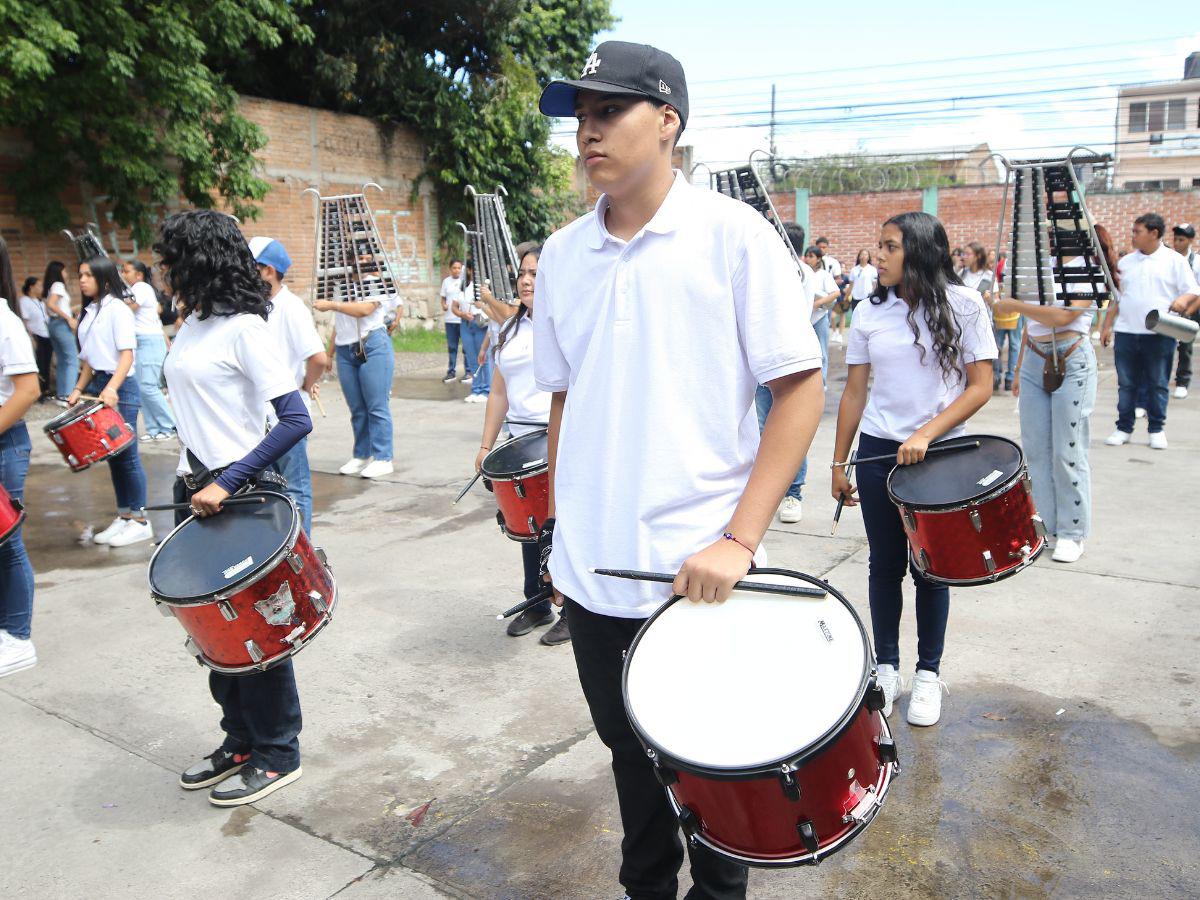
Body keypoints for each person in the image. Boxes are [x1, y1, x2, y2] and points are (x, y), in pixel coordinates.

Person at [536, 41, 824, 899]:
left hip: (699, 576)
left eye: (607, 112)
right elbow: (563, 400)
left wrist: (740, 539)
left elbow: (800, 390)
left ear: (667, 121)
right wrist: (559, 530)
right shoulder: (562, 255)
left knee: (714, 779)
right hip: (595, 576)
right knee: (631, 766)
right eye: (579, 117)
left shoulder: (733, 238)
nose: (587, 133)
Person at [156, 209, 313, 806]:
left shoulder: (247, 328)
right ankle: (240, 740)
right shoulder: (194, 322)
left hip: (237, 493)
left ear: (199, 260)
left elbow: (294, 420)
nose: (164, 269)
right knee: (208, 627)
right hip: (192, 487)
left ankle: (279, 751)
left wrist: (229, 481)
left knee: (251, 630)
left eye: (172, 258)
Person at [831, 211, 997, 726]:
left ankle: (928, 674)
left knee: (932, 568)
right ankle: (887, 668)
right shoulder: (867, 311)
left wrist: (926, 433)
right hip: (881, 451)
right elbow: (855, 390)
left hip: (940, 455)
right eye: (878, 245)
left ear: (919, 253)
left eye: (888, 246)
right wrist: (840, 461)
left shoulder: (964, 305)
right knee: (885, 564)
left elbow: (981, 385)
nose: (877, 255)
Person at [998, 225, 1118, 564]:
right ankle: (1047, 527)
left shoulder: (1087, 269)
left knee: (1068, 451)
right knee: (1036, 450)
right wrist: (1021, 367)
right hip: (1036, 357)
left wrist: (1016, 305)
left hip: (1072, 357)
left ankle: (1072, 531)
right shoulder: (1041, 269)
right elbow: (1032, 327)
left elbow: (1064, 316)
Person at [474, 247, 569, 645]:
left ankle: (575, 609)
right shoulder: (509, 327)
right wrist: (486, 445)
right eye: (522, 273)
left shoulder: (564, 321)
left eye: (535, 273)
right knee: (529, 525)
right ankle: (537, 600)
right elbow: (499, 390)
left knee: (563, 525)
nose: (526, 280)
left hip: (559, 436)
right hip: (520, 439)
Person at [65, 256, 153, 547]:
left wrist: (113, 388)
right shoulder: (90, 311)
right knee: (113, 457)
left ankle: (140, 521)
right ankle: (124, 516)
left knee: (127, 456)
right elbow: (89, 359)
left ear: (103, 278)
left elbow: (126, 354)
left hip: (121, 387)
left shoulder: (118, 310)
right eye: (80, 275)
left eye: (88, 275)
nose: (82, 280)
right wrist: (78, 388)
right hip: (101, 384)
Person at [1101, 213, 1199, 450]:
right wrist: (1106, 326)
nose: (1133, 236)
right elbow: (1117, 298)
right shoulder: (1125, 263)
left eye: (1137, 231)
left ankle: (1156, 428)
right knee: (1126, 384)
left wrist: (1181, 302)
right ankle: (1123, 427)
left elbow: (1192, 290)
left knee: (1157, 383)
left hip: (1159, 334)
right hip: (1126, 332)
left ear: (1154, 234)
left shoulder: (1174, 261)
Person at [250, 236, 328, 534]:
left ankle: (301, 556)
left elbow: (318, 358)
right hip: (259, 415)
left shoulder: (290, 307)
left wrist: (306, 384)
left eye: (251, 266)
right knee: (271, 491)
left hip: (285, 415)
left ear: (268, 270)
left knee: (294, 488)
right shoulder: (255, 308)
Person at [756, 223, 816, 525]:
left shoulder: (800, 273)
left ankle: (794, 493)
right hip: (759, 366)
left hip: (786, 364)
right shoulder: (767, 267)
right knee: (759, 431)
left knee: (789, 430)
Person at [0, 237, 41, 677]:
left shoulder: (3, 319)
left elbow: (28, 390)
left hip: (5, 444)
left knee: (6, 542)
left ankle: (18, 637)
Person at [314, 271, 395, 479]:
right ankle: (361, 454)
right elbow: (340, 324)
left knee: (376, 405)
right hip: (344, 348)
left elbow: (365, 309)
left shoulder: (374, 281)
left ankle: (383, 458)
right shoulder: (341, 285)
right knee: (357, 408)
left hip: (373, 344)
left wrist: (332, 304)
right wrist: (329, 353)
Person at [121, 259, 176, 441]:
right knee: (141, 388)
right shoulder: (131, 290)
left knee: (149, 386)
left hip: (149, 341)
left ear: (138, 274)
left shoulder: (141, 288)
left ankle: (170, 424)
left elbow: (131, 308)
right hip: (140, 342)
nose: (123, 274)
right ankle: (153, 429)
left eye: (127, 271)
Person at [1170, 223, 1200, 399]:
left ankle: (1182, 382)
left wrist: (1189, 311)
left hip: (1191, 308)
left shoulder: (1196, 262)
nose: (1177, 243)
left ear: (1190, 241)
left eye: (1181, 239)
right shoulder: (1169, 259)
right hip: (1172, 307)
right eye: (1175, 239)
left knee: (1185, 345)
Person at [41, 260, 79, 401]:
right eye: (64, 271)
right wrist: (69, 318)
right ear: (59, 272)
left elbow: (49, 306)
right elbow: (51, 304)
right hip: (61, 324)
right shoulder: (58, 285)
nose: (66, 274)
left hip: (53, 324)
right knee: (72, 359)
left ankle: (62, 394)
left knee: (63, 360)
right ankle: (69, 395)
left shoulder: (51, 286)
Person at [453, 264, 487, 402]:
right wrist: (462, 314)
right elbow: (453, 307)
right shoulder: (462, 287)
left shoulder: (483, 286)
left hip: (480, 322)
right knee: (472, 358)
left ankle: (486, 389)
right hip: (466, 323)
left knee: (483, 357)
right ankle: (476, 389)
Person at [802, 244, 839, 368]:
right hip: (805, 319)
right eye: (806, 256)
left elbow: (835, 293)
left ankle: (822, 385)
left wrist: (817, 303)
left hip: (820, 318)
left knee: (822, 352)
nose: (807, 259)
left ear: (818, 258)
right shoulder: (801, 274)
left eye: (811, 256)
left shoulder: (824, 275)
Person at [17, 276, 52, 400]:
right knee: (39, 364)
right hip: (36, 335)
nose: (41, 288)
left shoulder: (40, 301)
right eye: (39, 285)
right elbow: (25, 320)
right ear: (31, 287)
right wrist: (31, 337)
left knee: (46, 364)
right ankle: (39, 392)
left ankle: (46, 389)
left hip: (46, 334)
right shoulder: (24, 301)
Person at [440, 259, 468, 383]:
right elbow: (443, 298)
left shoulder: (465, 282)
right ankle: (451, 372)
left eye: (459, 268)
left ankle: (469, 371)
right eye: (454, 268)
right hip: (450, 319)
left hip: (462, 319)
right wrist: (444, 305)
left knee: (466, 347)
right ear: (450, 269)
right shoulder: (446, 282)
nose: (456, 270)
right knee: (452, 347)